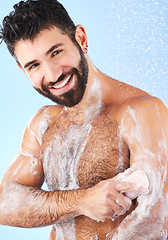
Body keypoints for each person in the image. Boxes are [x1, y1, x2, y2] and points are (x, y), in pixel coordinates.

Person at [0, 0, 168, 239]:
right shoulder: (44, 123)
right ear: (23, 70)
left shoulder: (142, 113)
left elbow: (155, 221)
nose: (53, 74)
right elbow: (5, 204)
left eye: (56, 52)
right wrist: (82, 201)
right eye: (34, 65)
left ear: (81, 38)